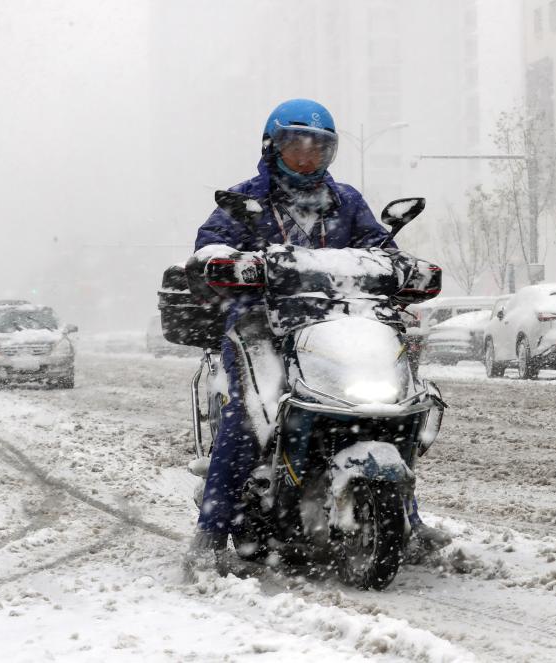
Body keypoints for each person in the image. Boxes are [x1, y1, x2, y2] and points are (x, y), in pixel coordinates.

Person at [187, 98, 449, 570]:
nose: (307, 156)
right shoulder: (247, 200)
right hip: (263, 325)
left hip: (344, 322)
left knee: (392, 407)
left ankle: (408, 514)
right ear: (274, 146)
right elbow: (210, 246)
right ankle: (211, 533)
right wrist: (226, 261)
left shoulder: (345, 200)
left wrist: (402, 265)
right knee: (248, 418)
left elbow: (374, 245)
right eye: (296, 145)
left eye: (319, 147)